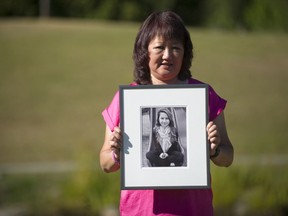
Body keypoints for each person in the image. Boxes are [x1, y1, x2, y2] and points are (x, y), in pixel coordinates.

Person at [100, 11, 234, 216]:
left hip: (193, 211)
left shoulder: (204, 95)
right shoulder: (126, 99)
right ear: (145, 51)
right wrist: (116, 153)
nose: (167, 55)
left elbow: (228, 157)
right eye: (160, 47)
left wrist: (214, 150)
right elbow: (105, 164)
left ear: (185, 52)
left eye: (175, 48)